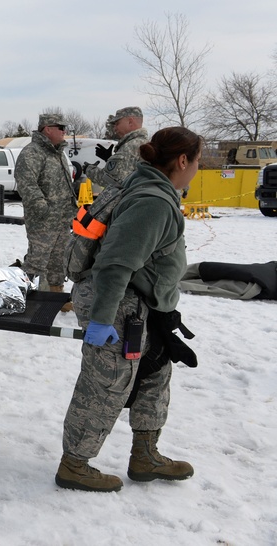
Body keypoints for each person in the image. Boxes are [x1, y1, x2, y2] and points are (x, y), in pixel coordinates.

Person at [56, 127, 201, 492]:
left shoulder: (147, 185)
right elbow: (115, 264)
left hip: (141, 303)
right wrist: (103, 320)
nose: (198, 168)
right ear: (182, 160)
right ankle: (74, 465)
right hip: (117, 302)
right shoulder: (152, 201)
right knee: (106, 383)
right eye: (198, 160)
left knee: (154, 372)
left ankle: (145, 455)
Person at [14, 113, 77, 310]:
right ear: (47, 129)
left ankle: (56, 297)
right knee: (37, 260)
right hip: (43, 220)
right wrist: (44, 209)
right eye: (60, 127)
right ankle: (19, 296)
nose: (64, 131)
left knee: (58, 260)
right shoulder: (32, 153)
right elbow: (27, 185)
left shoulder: (57, 153)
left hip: (62, 219)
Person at [84, 106, 149, 189]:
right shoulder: (144, 143)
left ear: (130, 122)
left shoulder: (131, 146)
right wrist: (110, 160)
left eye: (117, 123)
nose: (115, 128)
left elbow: (114, 182)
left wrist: (89, 169)